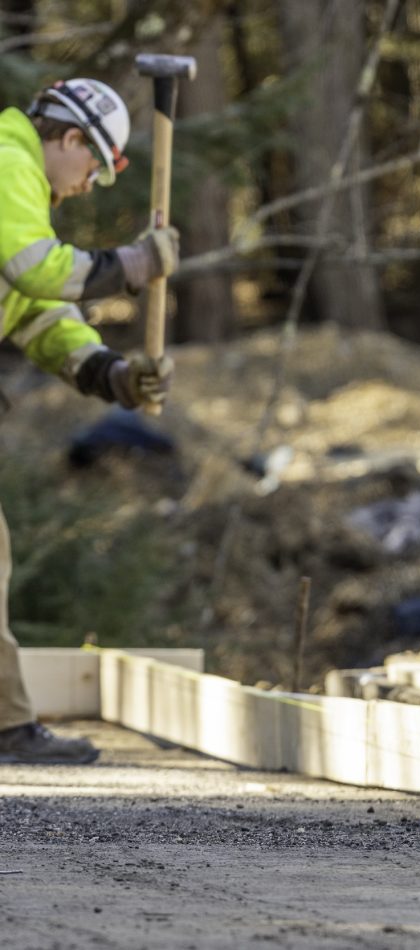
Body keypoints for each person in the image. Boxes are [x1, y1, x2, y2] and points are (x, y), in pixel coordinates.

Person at [0, 77, 179, 764]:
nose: (88, 187)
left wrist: (110, 372)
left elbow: (39, 315)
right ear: (70, 139)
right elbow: (35, 270)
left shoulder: (20, 182)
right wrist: (129, 264)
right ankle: (8, 727)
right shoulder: (11, 160)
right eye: (93, 171)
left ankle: (8, 724)